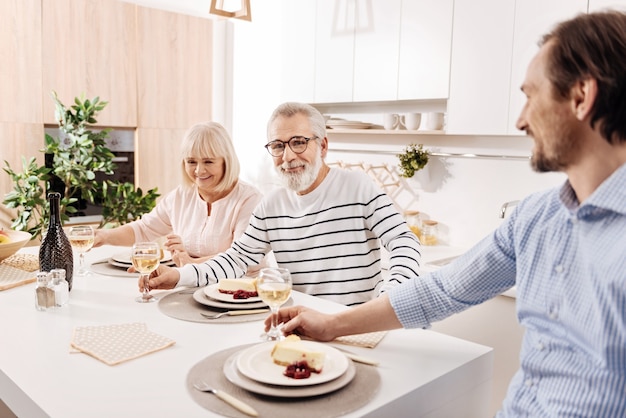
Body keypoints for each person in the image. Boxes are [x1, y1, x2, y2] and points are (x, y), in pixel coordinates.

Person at [267, 11, 626, 417]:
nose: (520, 119)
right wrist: (331, 324)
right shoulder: (535, 219)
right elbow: (443, 290)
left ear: (581, 97)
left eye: (531, 95)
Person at [143, 102, 421, 306]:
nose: (287, 156)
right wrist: (179, 276)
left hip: (357, 320)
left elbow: (404, 241)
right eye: (277, 146)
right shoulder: (271, 205)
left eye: (298, 143)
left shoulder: (358, 187)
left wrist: (390, 298)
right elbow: (236, 259)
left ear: (322, 146)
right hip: (300, 321)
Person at [94, 121, 263, 268]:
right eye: (191, 161)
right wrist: (104, 236)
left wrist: (191, 264)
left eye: (208, 161)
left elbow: (241, 258)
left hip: (242, 293)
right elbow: (143, 229)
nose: (199, 170)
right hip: (192, 287)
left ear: (226, 161)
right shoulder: (181, 197)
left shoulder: (249, 199)